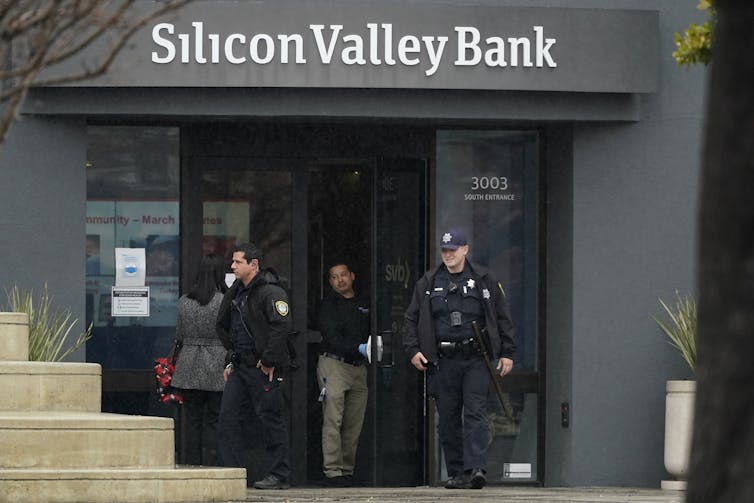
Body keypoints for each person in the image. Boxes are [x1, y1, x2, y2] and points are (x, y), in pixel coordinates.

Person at [402, 228, 515, 490]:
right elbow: (411, 318)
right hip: (443, 359)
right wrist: (413, 349)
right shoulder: (429, 282)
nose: (448, 255)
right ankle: (457, 472)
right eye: (444, 250)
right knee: (449, 418)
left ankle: (476, 468)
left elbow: (502, 317)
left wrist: (508, 353)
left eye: (453, 250)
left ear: (465, 250)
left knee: (475, 412)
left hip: (476, 358)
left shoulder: (484, 278)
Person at [216, 242, 293, 490]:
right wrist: (231, 359)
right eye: (233, 261)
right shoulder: (237, 291)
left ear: (254, 264)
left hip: (263, 367)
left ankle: (279, 474)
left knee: (270, 419)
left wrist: (269, 359)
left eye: (238, 261)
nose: (233, 266)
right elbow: (229, 327)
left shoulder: (271, 292)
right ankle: (232, 472)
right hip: (240, 366)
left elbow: (281, 327)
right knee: (228, 417)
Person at [316, 262, 370, 487]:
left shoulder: (364, 303)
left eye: (343, 275)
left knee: (353, 421)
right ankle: (333, 471)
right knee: (333, 418)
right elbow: (331, 337)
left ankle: (347, 470)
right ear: (330, 282)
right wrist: (356, 347)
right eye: (334, 277)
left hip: (359, 367)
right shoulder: (327, 305)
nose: (340, 280)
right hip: (334, 364)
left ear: (352, 276)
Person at [171, 254, 228, 466]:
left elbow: (179, 335)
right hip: (216, 362)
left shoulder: (184, 301)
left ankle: (191, 463)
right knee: (215, 419)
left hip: (189, 362)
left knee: (192, 420)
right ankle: (213, 463)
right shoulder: (225, 301)